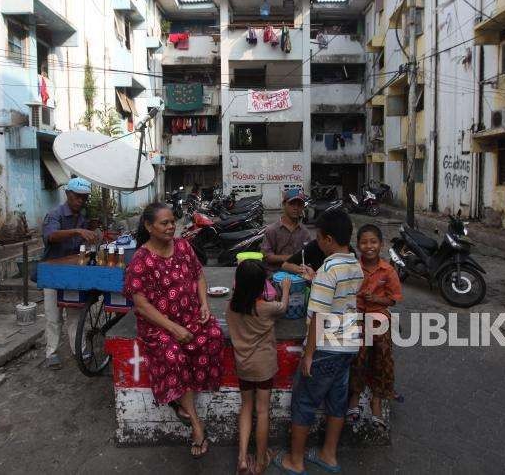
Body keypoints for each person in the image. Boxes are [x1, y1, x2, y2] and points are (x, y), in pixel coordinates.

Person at [123, 202, 224, 459]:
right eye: (164, 223)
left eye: (172, 222)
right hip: (159, 326)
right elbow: (142, 305)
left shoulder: (182, 246)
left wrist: (203, 304)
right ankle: (196, 423)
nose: (171, 227)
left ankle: (181, 400)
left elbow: (199, 276)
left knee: (212, 336)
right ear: (149, 226)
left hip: (189, 315)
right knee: (174, 355)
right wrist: (173, 328)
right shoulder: (140, 260)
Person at [275, 210, 363, 475]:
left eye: (318, 237)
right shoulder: (354, 265)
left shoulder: (327, 269)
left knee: (304, 402)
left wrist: (309, 354)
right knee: (337, 402)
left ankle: (296, 460)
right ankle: (329, 455)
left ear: (327, 239)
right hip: (349, 345)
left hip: (325, 347)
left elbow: (319, 317)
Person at [226, 260, 291, 475]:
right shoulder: (266, 308)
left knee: (246, 408)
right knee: (262, 411)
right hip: (263, 366)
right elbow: (283, 307)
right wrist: (287, 289)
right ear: (260, 286)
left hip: (243, 365)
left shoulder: (231, 308)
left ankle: (242, 458)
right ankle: (261, 461)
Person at [346, 224, 402, 428]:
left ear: (381, 244)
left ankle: (377, 399)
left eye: (373, 242)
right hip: (357, 316)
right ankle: (354, 397)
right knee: (358, 353)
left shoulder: (388, 270)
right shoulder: (353, 268)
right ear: (358, 245)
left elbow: (393, 300)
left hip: (379, 316)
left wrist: (376, 299)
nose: (369, 246)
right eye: (364, 242)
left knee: (383, 353)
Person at [41, 177, 100, 369]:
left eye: (84, 198)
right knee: (53, 315)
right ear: (67, 194)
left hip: (73, 271)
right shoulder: (54, 215)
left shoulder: (81, 217)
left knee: (75, 311)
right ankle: (51, 352)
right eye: (77, 197)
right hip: (52, 271)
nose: (81, 201)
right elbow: (51, 236)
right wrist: (76, 231)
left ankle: (79, 349)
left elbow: (84, 242)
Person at [260, 189, 311, 274]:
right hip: (275, 274)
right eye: (292, 204)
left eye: (299, 205)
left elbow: (308, 255)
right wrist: (292, 258)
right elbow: (266, 256)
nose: (296, 208)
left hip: (297, 275)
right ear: (284, 204)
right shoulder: (272, 230)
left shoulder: (304, 232)